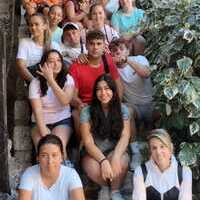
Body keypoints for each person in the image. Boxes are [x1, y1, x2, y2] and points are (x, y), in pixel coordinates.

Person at [80, 74, 130, 200]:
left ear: (113, 90)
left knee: (122, 161)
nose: (103, 93)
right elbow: (88, 142)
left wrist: (116, 157)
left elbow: (125, 136)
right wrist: (103, 161)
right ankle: (105, 187)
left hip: (114, 150)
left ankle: (114, 191)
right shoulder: (87, 112)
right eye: (99, 89)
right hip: (94, 154)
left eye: (107, 88)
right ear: (95, 92)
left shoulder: (122, 109)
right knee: (92, 167)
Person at [69, 30, 123, 140]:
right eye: (91, 44)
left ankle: (132, 147)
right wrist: (80, 105)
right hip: (87, 105)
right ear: (86, 46)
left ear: (104, 46)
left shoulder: (108, 60)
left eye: (99, 44)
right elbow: (72, 96)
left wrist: (117, 103)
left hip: (107, 100)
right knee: (76, 115)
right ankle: (83, 147)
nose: (95, 47)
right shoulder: (76, 66)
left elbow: (119, 86)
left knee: (128, 112)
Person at [29, 49, 74, 161]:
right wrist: (45, 132)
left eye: (59, 60)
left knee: (59, 146)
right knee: (43, 149)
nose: (56, 64)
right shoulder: (35, 83)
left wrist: (51, 79)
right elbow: (37, 111)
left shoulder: (68, 79)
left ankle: (65, 172)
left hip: (62, 120)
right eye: (51, 61)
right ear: (44, 64)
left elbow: (65, 101)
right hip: (40, 122)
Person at [19, 134, 85, 200]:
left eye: (54, 155)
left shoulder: (71, 175)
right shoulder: (29, 174)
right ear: (38, 158)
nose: (50, 161)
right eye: (44, 155)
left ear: (62, 157)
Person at [132, 129, 192, 200]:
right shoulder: (140, 172)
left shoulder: (184, 172)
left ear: (170, 148)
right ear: (150, 151)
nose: (158, 152)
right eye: (154, 148)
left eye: (162, 146)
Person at [109, 38, 153, 130]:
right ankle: (133, 143)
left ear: (128, 51)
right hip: (133, 107)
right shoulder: (112, 70)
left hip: (151, 104)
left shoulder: (140, 59)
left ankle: (147, 126)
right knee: (125, 111)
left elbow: (146, 74)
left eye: (121, 49)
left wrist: (126, 60)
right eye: (114, 50)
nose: (118, 52)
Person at [16, 13, 60, 83]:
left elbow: (58, 67)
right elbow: (21, 66)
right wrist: (35, 84)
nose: (33, 27)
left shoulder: (54, 46)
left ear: (45, 26)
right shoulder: (24, 43)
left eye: (36, 24)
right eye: (31, 25)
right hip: (32, 83)